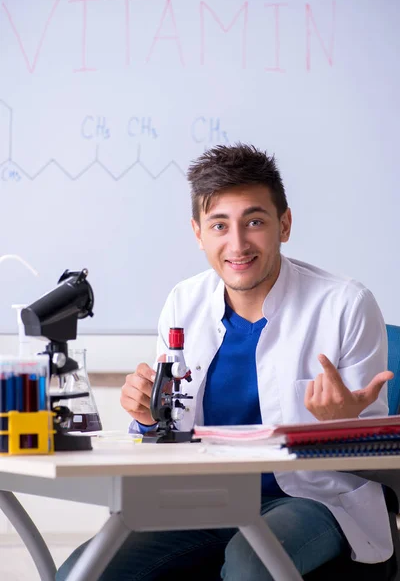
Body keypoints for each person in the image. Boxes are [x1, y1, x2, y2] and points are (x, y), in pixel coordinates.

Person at [57, 144, 394, 581]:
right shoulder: (184, 303)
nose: (237, 244)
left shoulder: (345, 304)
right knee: (79, 573)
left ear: (284, 225)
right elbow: (169, 433)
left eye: (254, 221)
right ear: (198, 233)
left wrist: (343, 425)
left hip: (310, 500)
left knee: (250, 564)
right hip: (200, 500)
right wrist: (146, 418)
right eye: (220, 225)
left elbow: (380, 452)